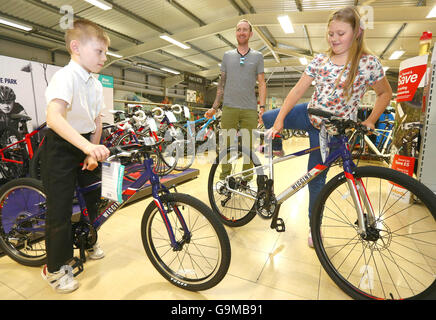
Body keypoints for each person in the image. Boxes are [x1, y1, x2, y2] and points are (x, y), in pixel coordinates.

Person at [262, 6, 392, 247]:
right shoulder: (321, 59)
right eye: (331, 33)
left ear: (356, 33)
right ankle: (274, 148)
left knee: (316, 179)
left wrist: (371, 119)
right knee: (268, 118)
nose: (334, 38)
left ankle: (314, 226)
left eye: (341, 33)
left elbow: (385, 93)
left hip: (333, 130)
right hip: (309, 114)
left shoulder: (367, 63)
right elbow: (297, 90)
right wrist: (280, 122)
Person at [40, 19, 111, 293]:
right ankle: (55, 269)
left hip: (84, 143)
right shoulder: (65, 76)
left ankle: (87, 241)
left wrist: (92, 148)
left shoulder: (95, 84)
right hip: (60, 145)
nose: (104, 58)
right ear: (76, 48)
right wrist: (86, 148)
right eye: (99, 52)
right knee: (59, 211)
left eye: (106, 53)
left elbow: (97, 121)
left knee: (92, 198)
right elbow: (53, 118)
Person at [204, 19, 267, 180]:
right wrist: (214, 107)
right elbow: (221, 84)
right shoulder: (227, 56)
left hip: (250, 109)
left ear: (250, 34)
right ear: (236, 33)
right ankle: (225, 177)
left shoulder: (258, 56)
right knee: (226, 145)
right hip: (229, 108)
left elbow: (261, 83)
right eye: (239, 29)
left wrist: (262, 108)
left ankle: (246, 178)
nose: (241, 32)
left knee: (248, 146)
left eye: (245, 29)